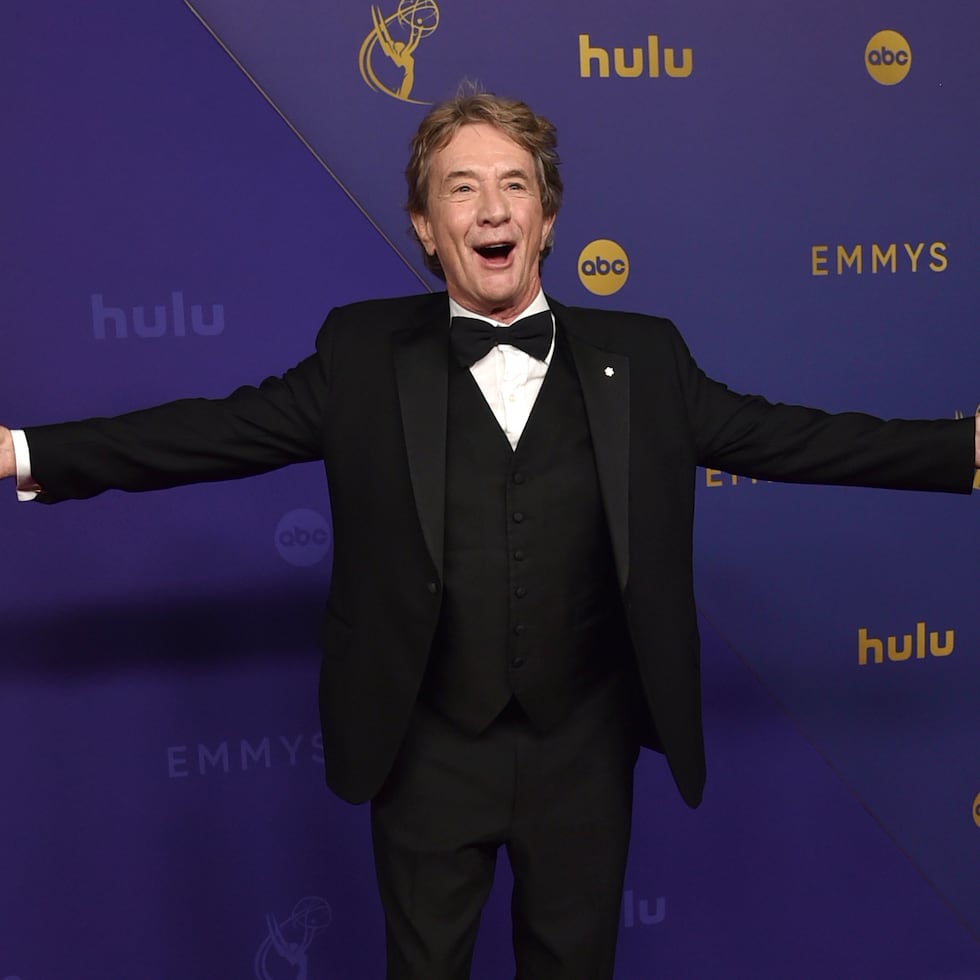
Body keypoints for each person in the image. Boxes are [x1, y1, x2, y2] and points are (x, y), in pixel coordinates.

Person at [0, 92, 976, 980]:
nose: (493, 209)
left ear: (547, 216)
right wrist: (21, 447)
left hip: (581, 749)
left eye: (514, 185)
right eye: (461, 189)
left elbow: (788, 436)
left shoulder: (641, 357)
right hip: (426, 749)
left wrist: (961, 449)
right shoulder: (359, 352)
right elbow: (212, 432)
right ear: (426, 228)